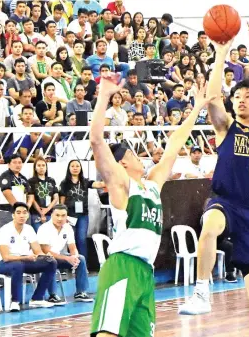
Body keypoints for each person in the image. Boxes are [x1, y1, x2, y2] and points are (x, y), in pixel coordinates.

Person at [89, 71, 214, 336]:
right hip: (123, 265)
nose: (139, 156)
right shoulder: (121, 184)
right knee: (108, 333)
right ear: (123, 163)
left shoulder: (153, 184)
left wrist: (197, 108)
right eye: (133, 153)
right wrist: (103, 97)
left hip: (145, 271)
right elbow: (96, 141)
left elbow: (174, 144)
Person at [178, 23, 249, 337]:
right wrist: (220, 53)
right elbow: (211, 98)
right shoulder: (226, 129)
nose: (242, 100)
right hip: (225, 200)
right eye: (237, 97)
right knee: (209, 227)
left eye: (248, 96)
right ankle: (202, 291)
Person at [0, 202, 57, 312]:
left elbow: (37, 251)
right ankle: (15, 302)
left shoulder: (29, 229)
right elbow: (6, 257)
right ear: (13, 215)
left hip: (25, 261)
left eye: (25, 213)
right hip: (4, 264)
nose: (22, 215)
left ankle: (37, 298)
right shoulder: (4, 230)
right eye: (18, 213)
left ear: (28, 215)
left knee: (51, 262)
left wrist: (45, 256)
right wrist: (26, 258)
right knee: (18, 265)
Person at [37, 204, 93, 304]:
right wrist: (67, 258)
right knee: (51, 261)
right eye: (57, 215)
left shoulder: (68, 228)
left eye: (63, 215)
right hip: (43, 259)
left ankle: (81, 292)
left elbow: (72, 247)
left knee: (81, 259)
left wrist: (74, 257)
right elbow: (45, 251)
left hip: (59, 257)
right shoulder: (44, 228)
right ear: (52, 215)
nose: (60, 218)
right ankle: (53, 295)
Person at [59, 159, 105, 260]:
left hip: (83, 215)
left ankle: (83, 264)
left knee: (82, 239)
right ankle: (70, 262)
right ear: (69, 168)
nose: (75, 168)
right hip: (70, 215)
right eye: (73, 166)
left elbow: (99, 185)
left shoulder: (85, 181)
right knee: (70, 240)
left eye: (77, 166)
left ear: (81, 168)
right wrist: (63, 215)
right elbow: (61, 201)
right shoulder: (64, 183)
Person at [28, 156, 59, 232]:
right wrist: (41, 213)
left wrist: (47, 210)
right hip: (36, 214)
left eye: (43, 165)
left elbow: (56, 198)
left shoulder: (51, 180)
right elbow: (32, 199)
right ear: (35, 168)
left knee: (50, 237)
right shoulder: (31, 181)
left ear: (46, 167)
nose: (41, 167)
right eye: (38, 165)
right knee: (39, 237)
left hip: (50, 213)